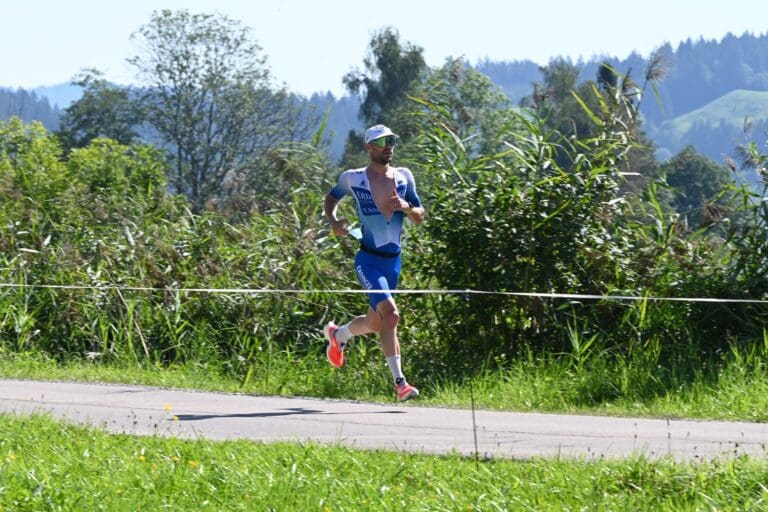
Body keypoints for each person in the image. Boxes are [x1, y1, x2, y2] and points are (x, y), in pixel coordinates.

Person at [323, 124, 425, 402]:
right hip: (368, 260)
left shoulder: (404, 177)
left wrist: (407, 207)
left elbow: (419, 215)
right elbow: (331, 199)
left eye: (391, 140)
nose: (388, 146)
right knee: (391, 315)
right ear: (368, 147)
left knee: (376, 323)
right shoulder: (352, 178)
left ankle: (338, 334)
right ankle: (400, 384)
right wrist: (334, 222)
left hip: (393, 263)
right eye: (382, 142)